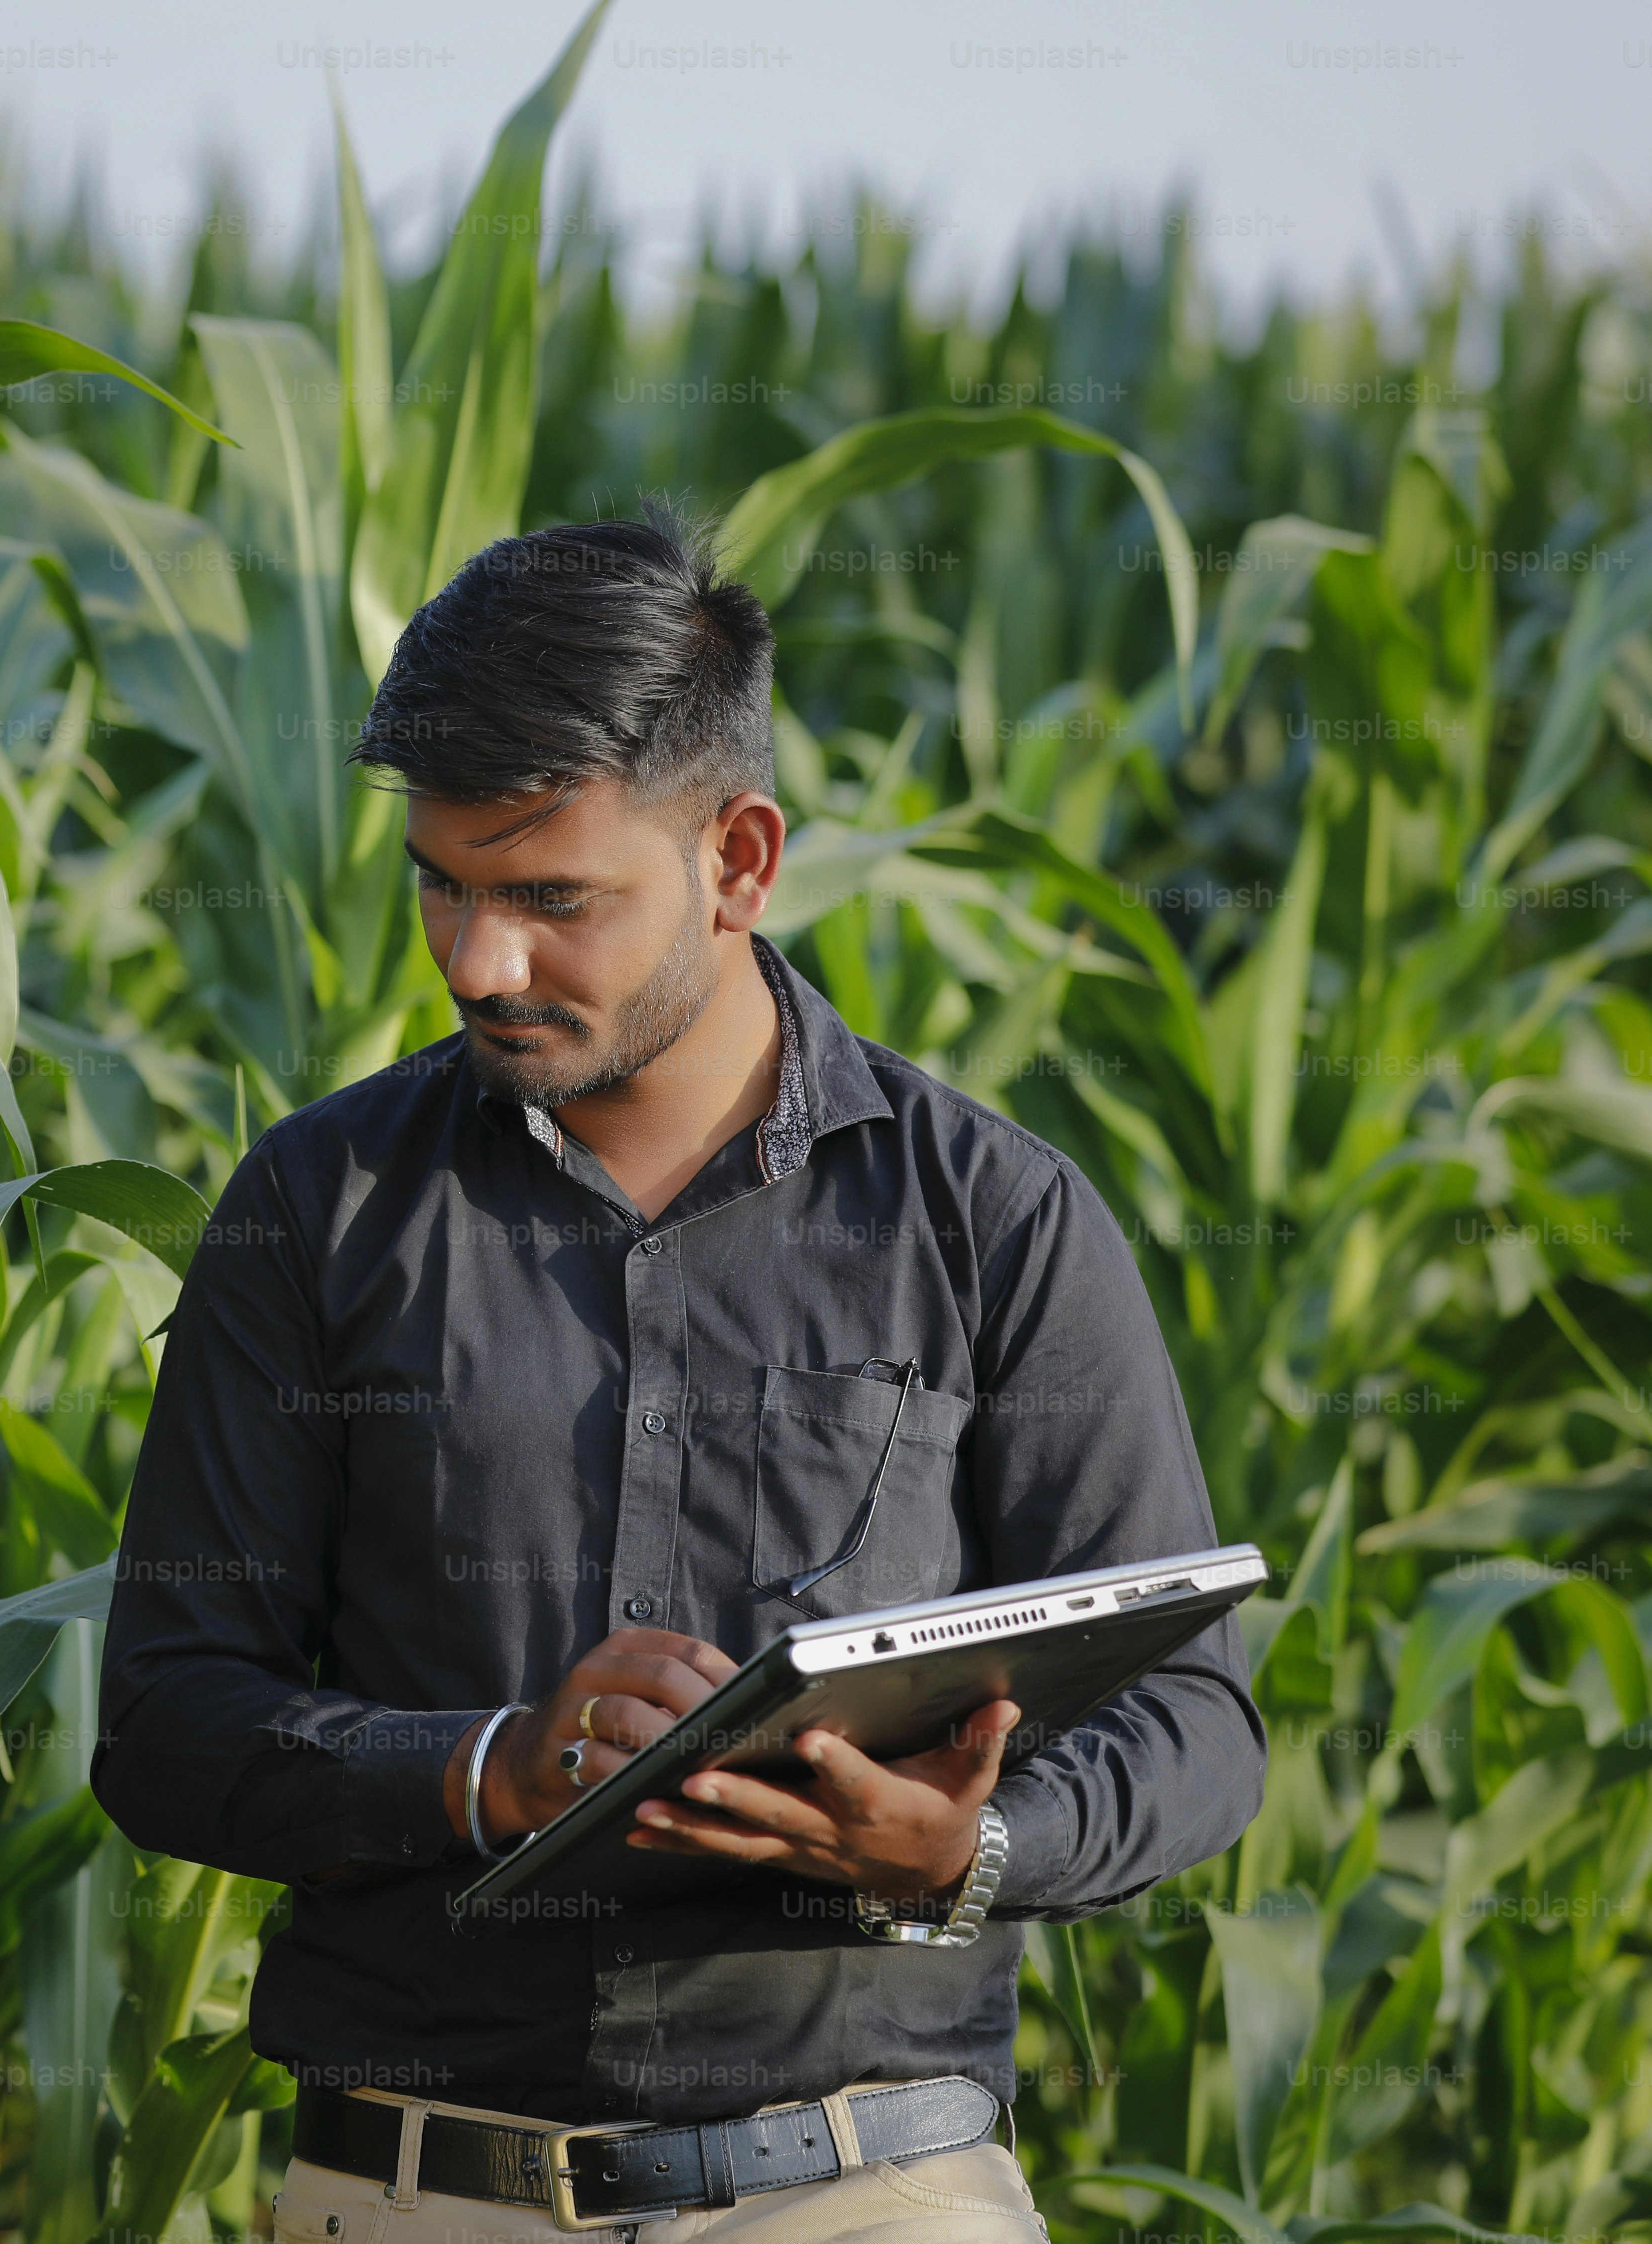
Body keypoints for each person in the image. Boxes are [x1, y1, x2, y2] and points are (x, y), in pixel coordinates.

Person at [90, 502, 1266, 2240]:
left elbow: (1201, 1722)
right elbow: (171, 1723)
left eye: (551, 898)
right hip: (421, 2192)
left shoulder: (998, 1221)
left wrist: (970, 1850)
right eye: (444, 885)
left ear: (739, 859)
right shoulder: (316, 1210)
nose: (482, 962)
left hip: (871, 2196)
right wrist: (490, 1766)